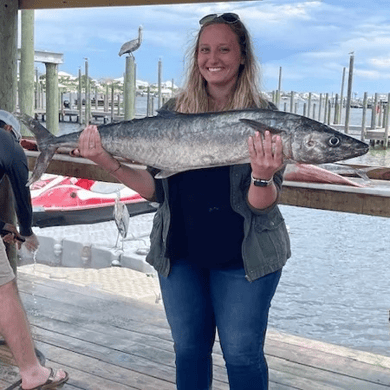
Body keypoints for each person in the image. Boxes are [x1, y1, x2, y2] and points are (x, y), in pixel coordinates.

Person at [74, 13, 291, 390]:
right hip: (180, 252)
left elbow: (261, 204)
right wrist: (107, 161)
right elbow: (156, 190)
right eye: (205, 49)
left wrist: (262, 173)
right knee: (188, 350)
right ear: (196, 58)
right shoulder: (173, 112)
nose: (213, 58)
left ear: (243, 56)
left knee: (242, 354)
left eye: (225, 49)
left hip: (245, 255)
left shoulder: (267, 119)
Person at [0, 110, 69, 390]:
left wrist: (3, 227)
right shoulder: (8, 144)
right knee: (4, 290)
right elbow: (22, 196)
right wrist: (26, 232)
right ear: (10, 129)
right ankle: (33, 373)